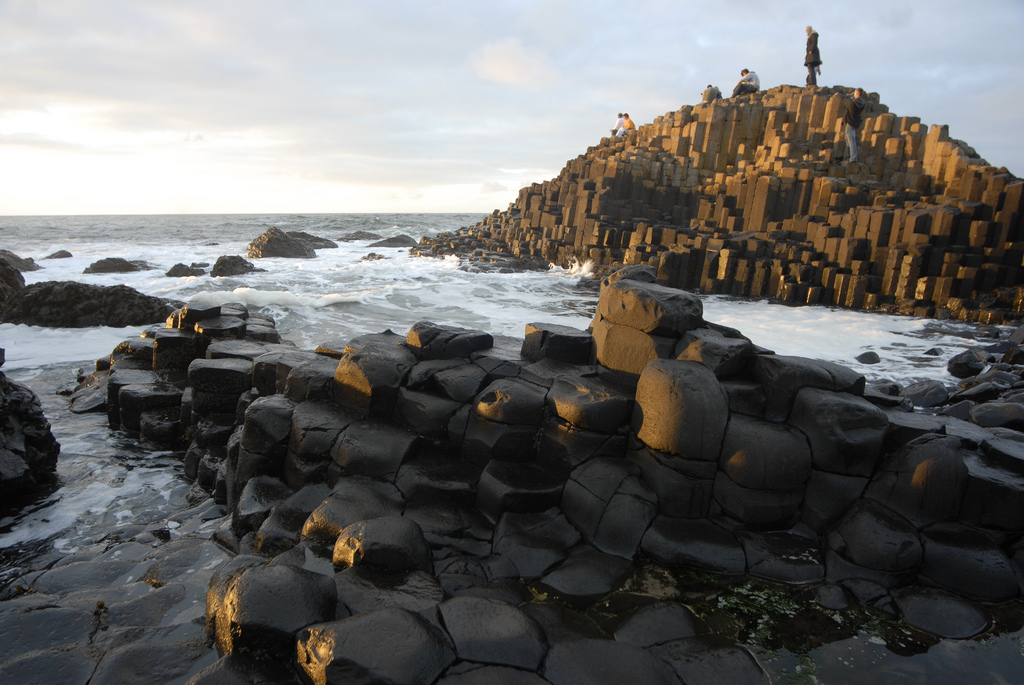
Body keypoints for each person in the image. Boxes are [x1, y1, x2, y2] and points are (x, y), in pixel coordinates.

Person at [841, 88, 866, 163]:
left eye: (854, 93)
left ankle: (853, 158)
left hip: (850, 123)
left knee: (851, 141)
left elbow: (845, 102)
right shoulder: (861, 103)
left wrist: (839, 96)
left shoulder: (853, 103)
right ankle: (849, 156)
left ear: (857, 94)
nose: (853, 94)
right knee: (849, 140)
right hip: (854, 122)